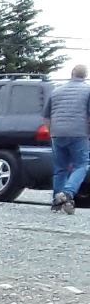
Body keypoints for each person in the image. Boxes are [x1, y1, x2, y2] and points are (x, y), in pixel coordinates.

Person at [45, 63, 90, 214]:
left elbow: (46, 117)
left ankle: (57, 202)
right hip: (79, 133)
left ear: (72, 74)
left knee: (60, 169)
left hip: (57, 133)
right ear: (85, 76)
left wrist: (52, 132)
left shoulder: (56, 91)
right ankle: (67, 193)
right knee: (81, 165)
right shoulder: (88, 90)